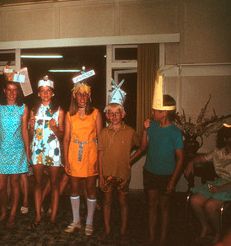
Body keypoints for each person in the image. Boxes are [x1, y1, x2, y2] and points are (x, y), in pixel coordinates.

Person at [97, 79, 143, 243]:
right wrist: (100, 176)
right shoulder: (103, 132)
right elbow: (100, 155)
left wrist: (130, 159)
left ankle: (123, 230)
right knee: (107, 202)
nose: (114, 116)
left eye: (118, 113)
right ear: (107, 115)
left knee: (123, 202)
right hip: (107, 173)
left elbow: (142, 147)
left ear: (123, 114)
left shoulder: (130, 131)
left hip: (123, 174)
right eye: (111, 113)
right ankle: (108, 229)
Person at [63, 70, 103, 236]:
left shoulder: (95, 113)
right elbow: (66, 139)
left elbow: (100, 139)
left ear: (89, 96)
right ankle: (76, 220)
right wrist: (66, 160)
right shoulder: (69, 115)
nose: (82, 97)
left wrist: (98, 161)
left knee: (90, 189)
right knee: (74, 188)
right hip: (74, 153)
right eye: (79, 94)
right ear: (74, 96)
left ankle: (89, 222)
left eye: (85, 94)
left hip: (90, 154)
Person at [141, 94, 184, 245]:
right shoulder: (152, 126)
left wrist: (173, 181)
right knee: (152, 205)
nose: (152, 112)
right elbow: (143, 147)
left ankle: (163, 238)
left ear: (164, 112)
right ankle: (152, 237)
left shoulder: (175, 132)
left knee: (164, 206)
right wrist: (145, 130)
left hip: (166, 175)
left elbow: (180, 159)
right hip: (150, 172)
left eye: (155, 110)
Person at [0, 68, 30, 227]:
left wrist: (28, 152)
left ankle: (12, 214)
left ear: (18, 92)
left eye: (15, 90)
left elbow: (25, 131)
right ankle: (3, 212)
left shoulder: (23, 108)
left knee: (15, 183)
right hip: (0, 151)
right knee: (0, 186)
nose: (12, 93)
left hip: (17, 151)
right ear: (4, 91)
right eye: (9, 90)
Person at [28, 76, 64, 232]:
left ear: (53, 93)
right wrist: (30, 126)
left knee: (54, 184)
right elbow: (31, 136)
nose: (45, 94)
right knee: (37, 183)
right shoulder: (33, 111)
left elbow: (63, 135)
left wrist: (55, 128)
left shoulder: (59, 110)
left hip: (53, 149)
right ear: (38, 94)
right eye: (42, 91)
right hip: (37, 149)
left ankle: (53, 218)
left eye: (48, 91)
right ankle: (37, 216)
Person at [185, 124, 231, 244]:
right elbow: (200, 159)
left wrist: (221, 188)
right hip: (219, 183)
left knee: (210, 206)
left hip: (229, 187)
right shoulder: (218, 152)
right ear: (225, 139)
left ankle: (218, 233)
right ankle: (206, 227)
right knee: (195, 200)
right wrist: (191, 163)